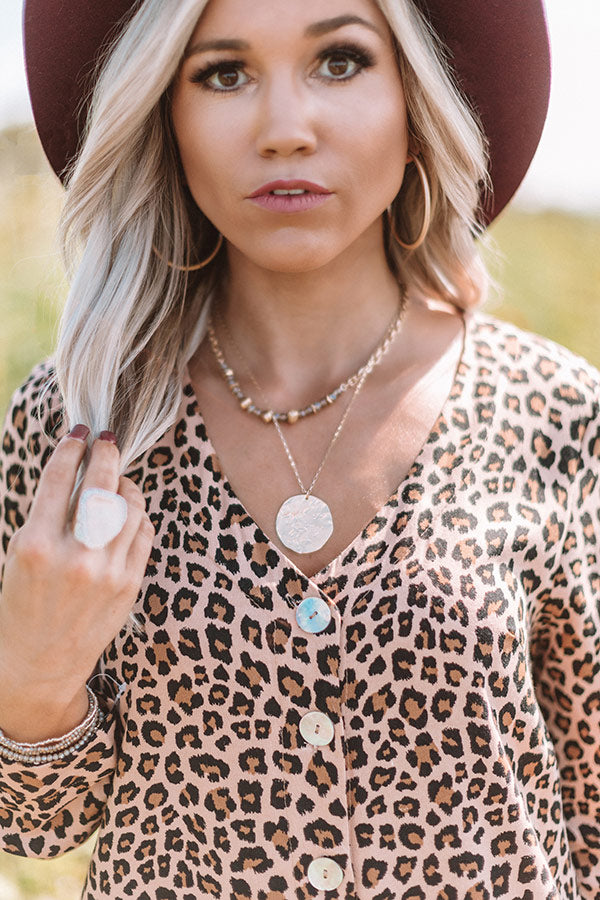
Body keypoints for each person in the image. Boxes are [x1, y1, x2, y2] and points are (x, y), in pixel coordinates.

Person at [0, 0, 598, 897]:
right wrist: (34, 672)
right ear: (165, 116)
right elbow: (38, 825)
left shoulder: (559, 416)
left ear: (415, 105)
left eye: (341, 61)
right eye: (224, 73)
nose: (285, 129)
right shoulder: (83, 424)